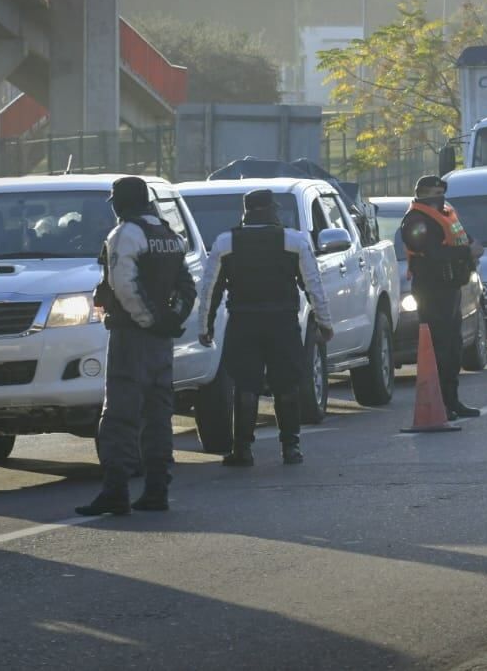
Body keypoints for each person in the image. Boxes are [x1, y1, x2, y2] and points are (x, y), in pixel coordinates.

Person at [77, 177, 196, 516]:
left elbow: (123, 285)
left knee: (118, 417)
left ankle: (116, 491)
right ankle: (157, 490)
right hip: (161, 342)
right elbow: (188, 287)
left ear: (121, 202)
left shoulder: (125, 234)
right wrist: (170, 319)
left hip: (132, 337)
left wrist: (148, 320)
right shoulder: (168, 234)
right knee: (158, 416)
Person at [197, 189, 334, 468]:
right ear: (272, 210)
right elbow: (313, 286)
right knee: (286, 384)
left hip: (243, 323)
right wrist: (324, 321)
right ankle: (291, 447)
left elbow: (209, 289)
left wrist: (205, 326)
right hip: (282, 323)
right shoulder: (292, 241)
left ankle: (243, 450)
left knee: (245, 386)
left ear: (245, 212)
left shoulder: (227, 242)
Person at [400, 176, 485, 421]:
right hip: (431, 290)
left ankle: (452, 400)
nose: (440, 198)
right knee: (439, 347)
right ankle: (440, 404)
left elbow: (462, 238)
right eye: (436, 193)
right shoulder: (415, 221)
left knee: (453, 346)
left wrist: (472, 247)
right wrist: (466, 251)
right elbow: (433, 253)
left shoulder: (446, 213)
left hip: (451, 288)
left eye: (442, 193)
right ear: (425, 194)